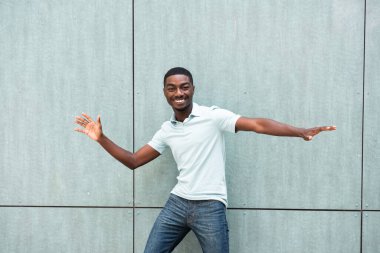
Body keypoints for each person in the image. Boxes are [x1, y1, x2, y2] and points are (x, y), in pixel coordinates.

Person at [74, 67, 336, 253]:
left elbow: (257, 124)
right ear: (165, 93)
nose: (179, 92)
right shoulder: (167, 130)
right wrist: (101, 138)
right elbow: (133, 160)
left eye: (184, 87)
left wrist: (300, 132)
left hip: (210, 206)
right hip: (177, 204)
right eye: (172, 88)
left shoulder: (212, 116)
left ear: (192, 89)